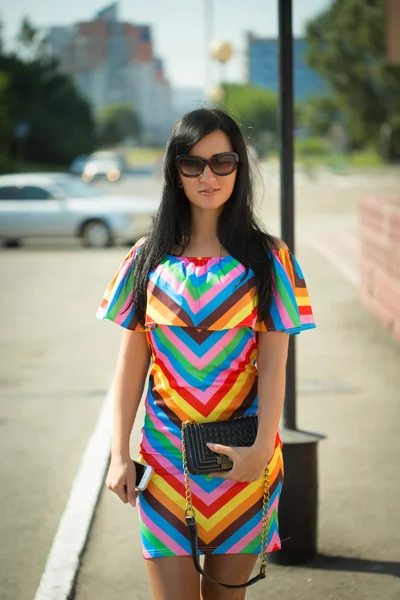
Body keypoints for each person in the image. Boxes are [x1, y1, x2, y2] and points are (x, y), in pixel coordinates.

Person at [96, 108, 316, 600]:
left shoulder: (268, 259)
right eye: (193, 163)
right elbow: (131, 365)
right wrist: (118, 454)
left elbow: (274, 368)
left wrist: (260, 452)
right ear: (175, 170)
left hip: (242, 460)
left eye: (223, 161)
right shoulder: (147, 257)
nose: (208, 176)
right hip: (165, 462)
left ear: (240, 167)